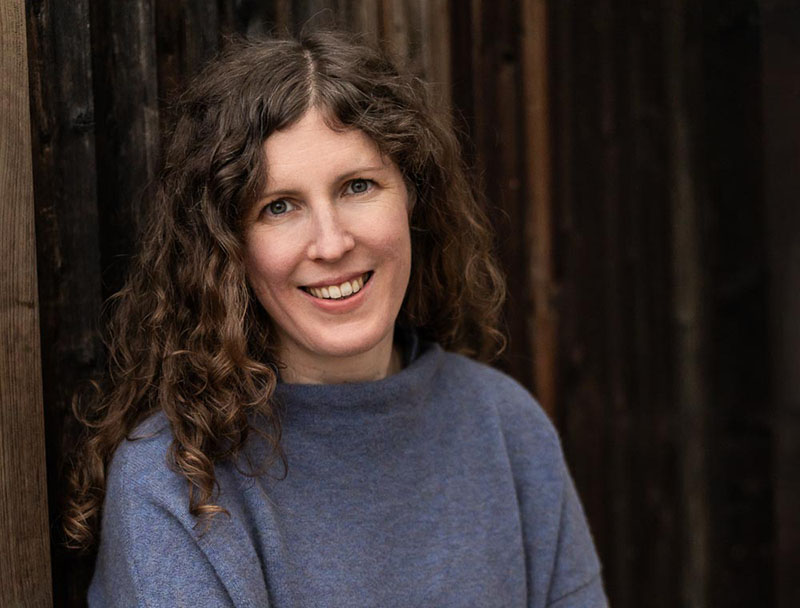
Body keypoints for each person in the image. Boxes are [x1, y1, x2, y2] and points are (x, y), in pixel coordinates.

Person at [64, 31, 607, 608]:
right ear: (226, 248)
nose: (331, 243)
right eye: (279, 206)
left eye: (357, 186)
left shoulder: (507, 428)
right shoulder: (175, 482)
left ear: (413, 199)